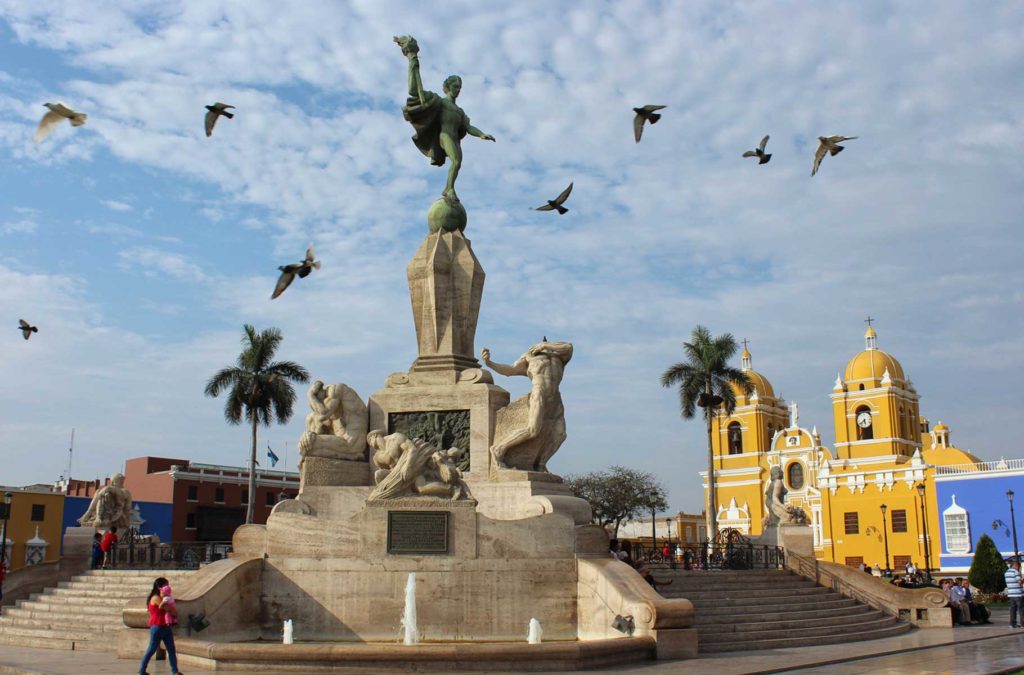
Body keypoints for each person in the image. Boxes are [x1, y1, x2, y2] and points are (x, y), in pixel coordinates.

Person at [138, 576, 183, 675]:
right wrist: (174, 611)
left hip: (166, 626)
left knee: (171, 649)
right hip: (157, 625)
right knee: (152, 648)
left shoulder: (162, 597)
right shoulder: (156, 598)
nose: (168, 587)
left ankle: (175, 671)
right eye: (166, 585)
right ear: (160, 587)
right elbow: (169, 609)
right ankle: (141, 671)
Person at [1005, 560, 1024, 628]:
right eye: (1019, 567)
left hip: (1011, 594)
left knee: (1013, 609)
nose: (1019, 568)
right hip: (1018, 594)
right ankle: (1023, 624)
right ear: (1016, 566)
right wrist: (1023, 578)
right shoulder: (1015, 572)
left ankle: (1012, 624)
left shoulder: (1006, 572)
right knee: (1022, 609)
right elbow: (1019, 582)